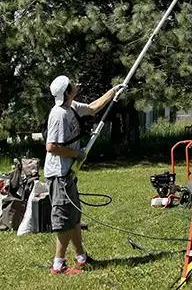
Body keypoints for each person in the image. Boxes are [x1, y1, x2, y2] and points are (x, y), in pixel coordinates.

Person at [44, 75, 124, 275]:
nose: (75, 82)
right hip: (59, 175)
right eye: (71, 82)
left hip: (69, 172)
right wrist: (76, 153)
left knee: (74, 216)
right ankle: (58, 265)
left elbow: (93, 107)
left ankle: (81, 257)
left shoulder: (72, 106)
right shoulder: (58, 114)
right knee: (64, 219)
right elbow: (51, 146)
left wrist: (113, 91)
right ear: (67, 91)